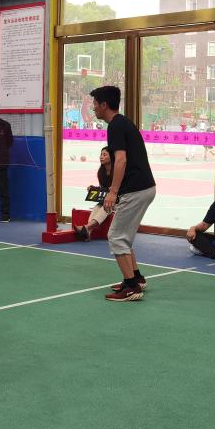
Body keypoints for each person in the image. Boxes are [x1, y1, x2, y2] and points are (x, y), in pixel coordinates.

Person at [90, 86, 156, 302]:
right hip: (144, 188)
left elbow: (121, 160)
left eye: (95, 104)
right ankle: (136, 278)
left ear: (104, 105)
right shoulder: (122, 123)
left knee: (116, 236)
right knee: (124, 237)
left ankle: (131, 288)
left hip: (136, 190)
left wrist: (112, 192)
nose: (93, 108)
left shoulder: (116, 126)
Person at [73, 147, 113, 241]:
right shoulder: (101, 172)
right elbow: (103, 189)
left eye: (104, 155)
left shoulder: (117, 171)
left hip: (118, 200)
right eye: (101, 154)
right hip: (105, 199)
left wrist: (113, 190)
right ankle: (88, 232)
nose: (101, 157)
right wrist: (93, 189)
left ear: (112, 157)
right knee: (96, 208)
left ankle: (86, 228)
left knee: (105, 207)